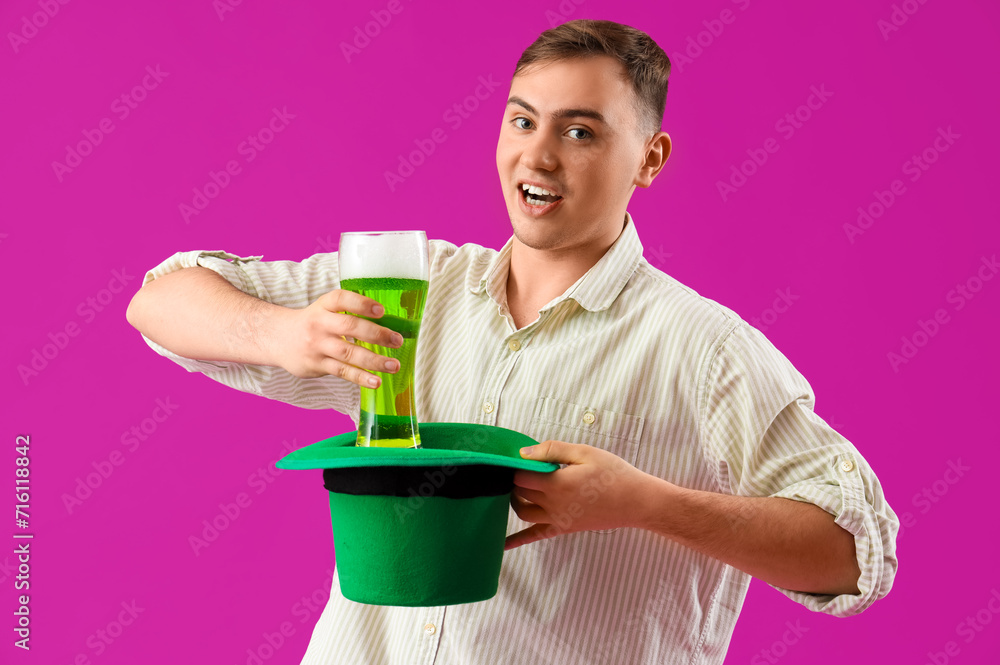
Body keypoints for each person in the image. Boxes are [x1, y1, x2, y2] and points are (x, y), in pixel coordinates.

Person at [127, 19, 898, 665]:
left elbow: (854, 554)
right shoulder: (411, 289)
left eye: (581, 131)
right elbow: (160, 297)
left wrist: (645, 503)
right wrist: (287, 332)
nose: (538, 155)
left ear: (650, 160)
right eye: (522, 120)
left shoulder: (703, 347)